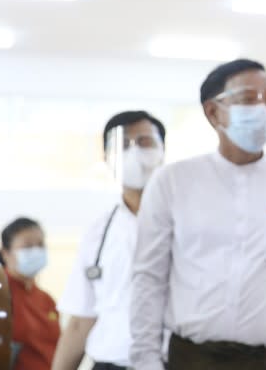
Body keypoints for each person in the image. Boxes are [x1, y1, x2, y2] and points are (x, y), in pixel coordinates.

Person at [131, 59, 266, 370]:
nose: (263, 109)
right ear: (213, 112)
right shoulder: (173, 181)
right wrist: (145, 360)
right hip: (191, 358)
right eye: (249, 99)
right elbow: (149, 278)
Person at [52, 111, 166, 370]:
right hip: (110, 364)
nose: (134, 153)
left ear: (163, 150)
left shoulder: (192, 220)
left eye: (145, 142)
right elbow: (81, 321)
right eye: (123, 145)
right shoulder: (99, 231)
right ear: (107, 158)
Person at [0, 217, 60, 370]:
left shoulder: (46, 300)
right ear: (6, 253)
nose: (36, 251)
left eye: (40, 245)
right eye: (27, 246)